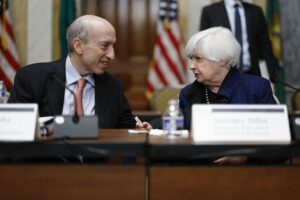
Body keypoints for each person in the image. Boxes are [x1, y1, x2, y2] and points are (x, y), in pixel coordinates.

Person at [8, 15, 150, 130]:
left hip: (93, 165)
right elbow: (13, 128)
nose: (112, 55)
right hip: (44, 164)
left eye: (113, 46)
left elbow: (125, 126)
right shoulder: (32, 78)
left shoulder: (113, 85)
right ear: (78, 46)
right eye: (105, 45)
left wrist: (138, 128)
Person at [179, 27, 281, 165]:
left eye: (198, 59)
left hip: (250, 175)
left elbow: (278, 145)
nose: (191, 66)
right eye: (192, 59)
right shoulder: (188, 93)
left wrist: (246, 158)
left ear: (222, 60)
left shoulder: (256, 88)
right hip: (199, 173)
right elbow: (179, 138)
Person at [200, 0, 279, 78]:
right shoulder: (210, 11)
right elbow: (204, 47)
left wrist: (271, 78)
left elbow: (266, 47)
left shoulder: (256, 11)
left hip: (252, 75)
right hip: (222, 77)